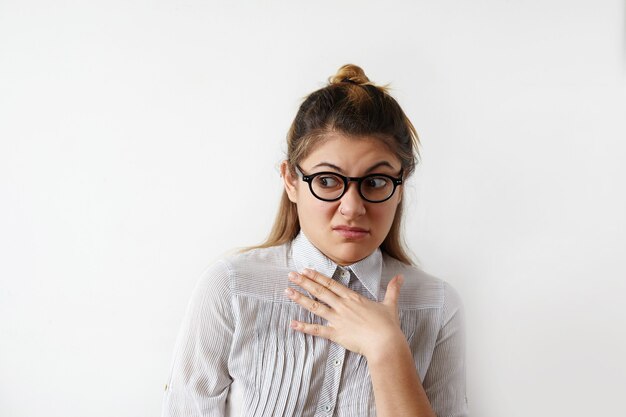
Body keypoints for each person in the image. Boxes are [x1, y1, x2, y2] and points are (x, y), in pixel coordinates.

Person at [162, 64, 468, 417]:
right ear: (291, 180)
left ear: (401, 186)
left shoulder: (438, 305)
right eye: (326, 180)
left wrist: (387, 349)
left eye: (376, 182)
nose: (352, 208)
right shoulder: (231, 288)